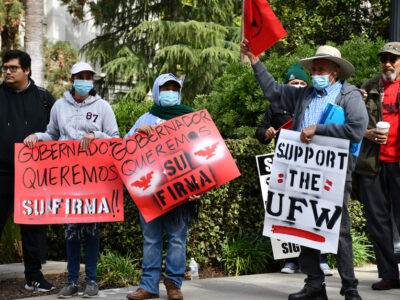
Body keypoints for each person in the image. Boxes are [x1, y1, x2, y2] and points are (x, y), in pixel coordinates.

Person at [241, 41, 368, 300]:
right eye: (314, 70)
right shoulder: (304, 94)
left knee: (339, 229)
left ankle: (350, 287)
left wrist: (318, 130)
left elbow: (356, 129)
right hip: (304, 171)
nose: (316, 74)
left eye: (321, 69)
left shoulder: (350, 95)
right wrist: (255, 62)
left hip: (335, 173)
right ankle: (314, 285)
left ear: (335, 72)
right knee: (306, 224)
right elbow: (273, 91)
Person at [24, 62, 120, 298]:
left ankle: (92, 281)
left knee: (92, 230)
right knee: (71, 230)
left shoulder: (103, 107)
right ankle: (71, 281)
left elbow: (116, 139)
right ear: (72, 79)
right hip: (68, 181)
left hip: (95, 180)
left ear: (93, 81)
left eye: (89, 77)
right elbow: (53, 135)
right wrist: (37, 136)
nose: (84, 80)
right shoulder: (59, 106)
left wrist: (95, 135)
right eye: (80, 76)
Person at [125, 73, 200, 300]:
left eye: (173, 88)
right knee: (151, 239)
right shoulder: (145, 118)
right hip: (149, 191)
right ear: (157, 92)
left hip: (180, 192)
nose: (169, 92)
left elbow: (203, 154)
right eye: (164, 88)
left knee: (177, 238)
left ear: (179, 92)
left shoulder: (190, 117)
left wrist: (199, 186)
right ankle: (148, 286)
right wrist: (137, 134)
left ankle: (174, 285)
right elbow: (124, 150)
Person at [256, 63, 334, 276]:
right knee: (290, 212)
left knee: (317, 210)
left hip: (314, 164)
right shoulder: (275, 106)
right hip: (287, 165)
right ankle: (292, 260)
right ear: (286, 85)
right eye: (294, 83)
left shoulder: (316, 102)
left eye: (302, 83)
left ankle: (322, 259)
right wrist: (267, 133)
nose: (299, 87)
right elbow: (260, 131)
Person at [0, 49, 55, 292]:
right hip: (1, 174)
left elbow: (57, 133)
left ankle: (34, 277)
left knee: (33, 228)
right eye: (5, 67)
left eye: (13, 68)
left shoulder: (44, 98)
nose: (7, 72)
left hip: (34, 176)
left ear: (27, 70)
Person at [355, 41, 400, 290]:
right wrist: (366, 133)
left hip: (398, 162)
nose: (387, 63)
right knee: (377, 220)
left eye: (393, 59)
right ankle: (389, 275)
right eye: (384, 59)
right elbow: (351, 120)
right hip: (373, 164)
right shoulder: (369, 87)